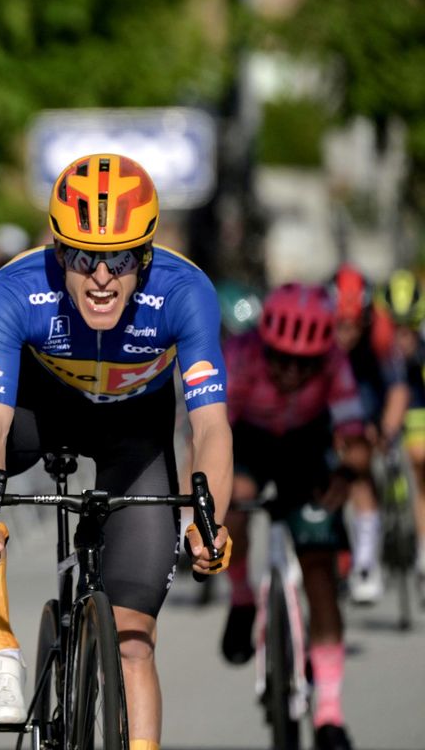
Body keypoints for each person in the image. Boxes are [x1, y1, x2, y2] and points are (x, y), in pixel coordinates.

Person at [0, 153, 233, 749]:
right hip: (36, 414)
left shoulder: (184, 292)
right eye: (82, 256)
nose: (101, 277)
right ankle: (0, 651)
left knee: (133, 643)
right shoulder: (15, 291)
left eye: (120, 259)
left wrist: (210, 521)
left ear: (145, 255)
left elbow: (209, 427)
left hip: (134, 434)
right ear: (57, 250)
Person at [221, 283, 362, 750]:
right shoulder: (240, 356)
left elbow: (352, 433)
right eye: (280, 359)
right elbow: (213, 432)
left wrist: (347, 473)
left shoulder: (335, 364)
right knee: (234, 502)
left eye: (304, 365)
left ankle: (330, 712)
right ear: (264, 345)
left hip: (306, 446)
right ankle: (242, 600)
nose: (289, 371)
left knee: (320, 571)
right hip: (249, 441)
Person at [330, 264, 409, 603]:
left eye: (353, 325)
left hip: (368, 411)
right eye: (340, 325)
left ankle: (366, 564)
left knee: (361, 475)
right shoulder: (320, 336)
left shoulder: (380, 336)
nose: (346, 333)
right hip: (331, 413)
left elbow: (398, 390)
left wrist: (388, 431)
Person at [376, 269, 425, 599]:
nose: (402, 338)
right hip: (384, 415)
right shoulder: (377, 347)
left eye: (408, 329)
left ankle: (422, 552)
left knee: (420, 467)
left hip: (419, 416)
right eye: (396, 329)